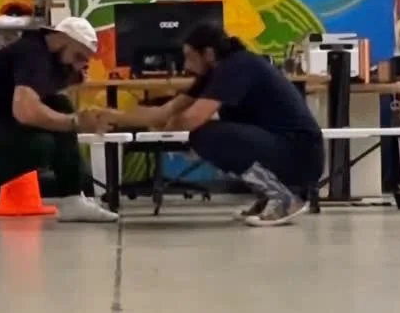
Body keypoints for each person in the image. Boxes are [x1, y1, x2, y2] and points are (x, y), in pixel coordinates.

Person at [104, 22, 324, 228]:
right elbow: (164, 113)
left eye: (190, 57)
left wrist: (169, 124)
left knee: (206, 135)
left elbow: (191, 120)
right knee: (208, 133)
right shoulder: (213, 73)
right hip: (282, 148)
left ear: (208, 54)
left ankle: (284, 199)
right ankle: (270, 195)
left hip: (301, 155)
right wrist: (113, 116)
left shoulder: (238, 66)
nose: (186, 65)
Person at [0, 15, 116, 228]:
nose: (80, 64)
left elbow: (38, 99)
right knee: (40, 146)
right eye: (79, 56)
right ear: (62, 38)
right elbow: (26, 112)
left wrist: (69, 97)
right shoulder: (32, 53)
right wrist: (75, 123)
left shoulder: (44, 55)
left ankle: (72, 199)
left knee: (59, 105)